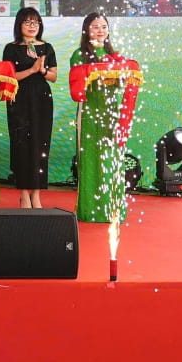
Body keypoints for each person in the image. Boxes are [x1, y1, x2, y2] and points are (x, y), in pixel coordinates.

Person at [3, 7, 57, 208]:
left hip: (42, 99)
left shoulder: (47, 47)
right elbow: (8, 77)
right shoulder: (11, 48)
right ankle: (24, 193)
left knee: (40, 145)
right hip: (19, 99)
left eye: (36, 22)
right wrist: (31, 70)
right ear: (19, 25)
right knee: (21, 145)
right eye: (27, 22)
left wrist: (42, 71)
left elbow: (54, 76)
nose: (32, 26)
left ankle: (37, 194)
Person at [71, 13, 122, 223]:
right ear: (86, 30)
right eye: (95, 26)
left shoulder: (114, 55)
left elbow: (120, 84)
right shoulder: (79, 55)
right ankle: (90, 209)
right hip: (89, 112)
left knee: (111, 157)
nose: (100, 30)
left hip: (110, 111)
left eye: (103, 26)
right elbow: (77, 84)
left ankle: (112, 209)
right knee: (90, 158)